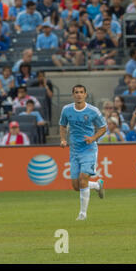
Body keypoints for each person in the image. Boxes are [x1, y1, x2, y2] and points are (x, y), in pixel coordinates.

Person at [59, 84, 106, 221]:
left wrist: (93, 138)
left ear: (85, 94)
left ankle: (82, 214)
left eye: (81, 92)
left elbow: (103, 128)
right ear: (73, 95)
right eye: (76, 92)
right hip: (74, 150)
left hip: (89, 149)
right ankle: (97, 185)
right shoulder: (66, 110)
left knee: (83, 178)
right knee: (76, 186)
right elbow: (62, 125)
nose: (79, 94)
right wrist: (63, 139)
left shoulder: (93, 111)